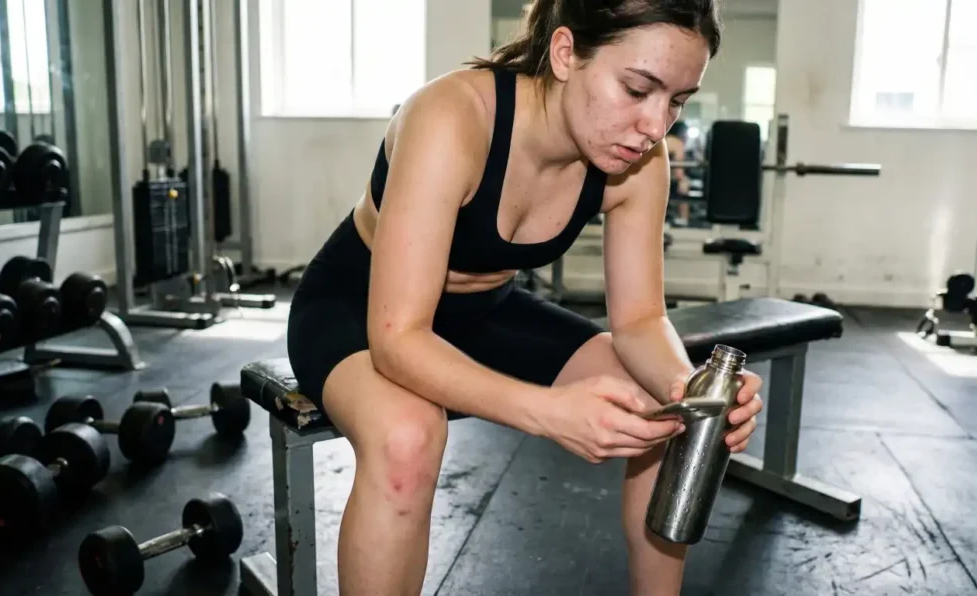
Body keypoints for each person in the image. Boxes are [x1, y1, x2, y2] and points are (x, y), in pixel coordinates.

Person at [285, 0, 764, 594]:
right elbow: (398, 338)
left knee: (664, 410)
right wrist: (546, 413)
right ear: (565, 53)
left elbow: (640, 320)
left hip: (487, 312)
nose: (655, 125)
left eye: (677, 101)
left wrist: (697, 398)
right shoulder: (452, 118)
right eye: (638, 89)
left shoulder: (641, 161)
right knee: (407, 435)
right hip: (358, 310)